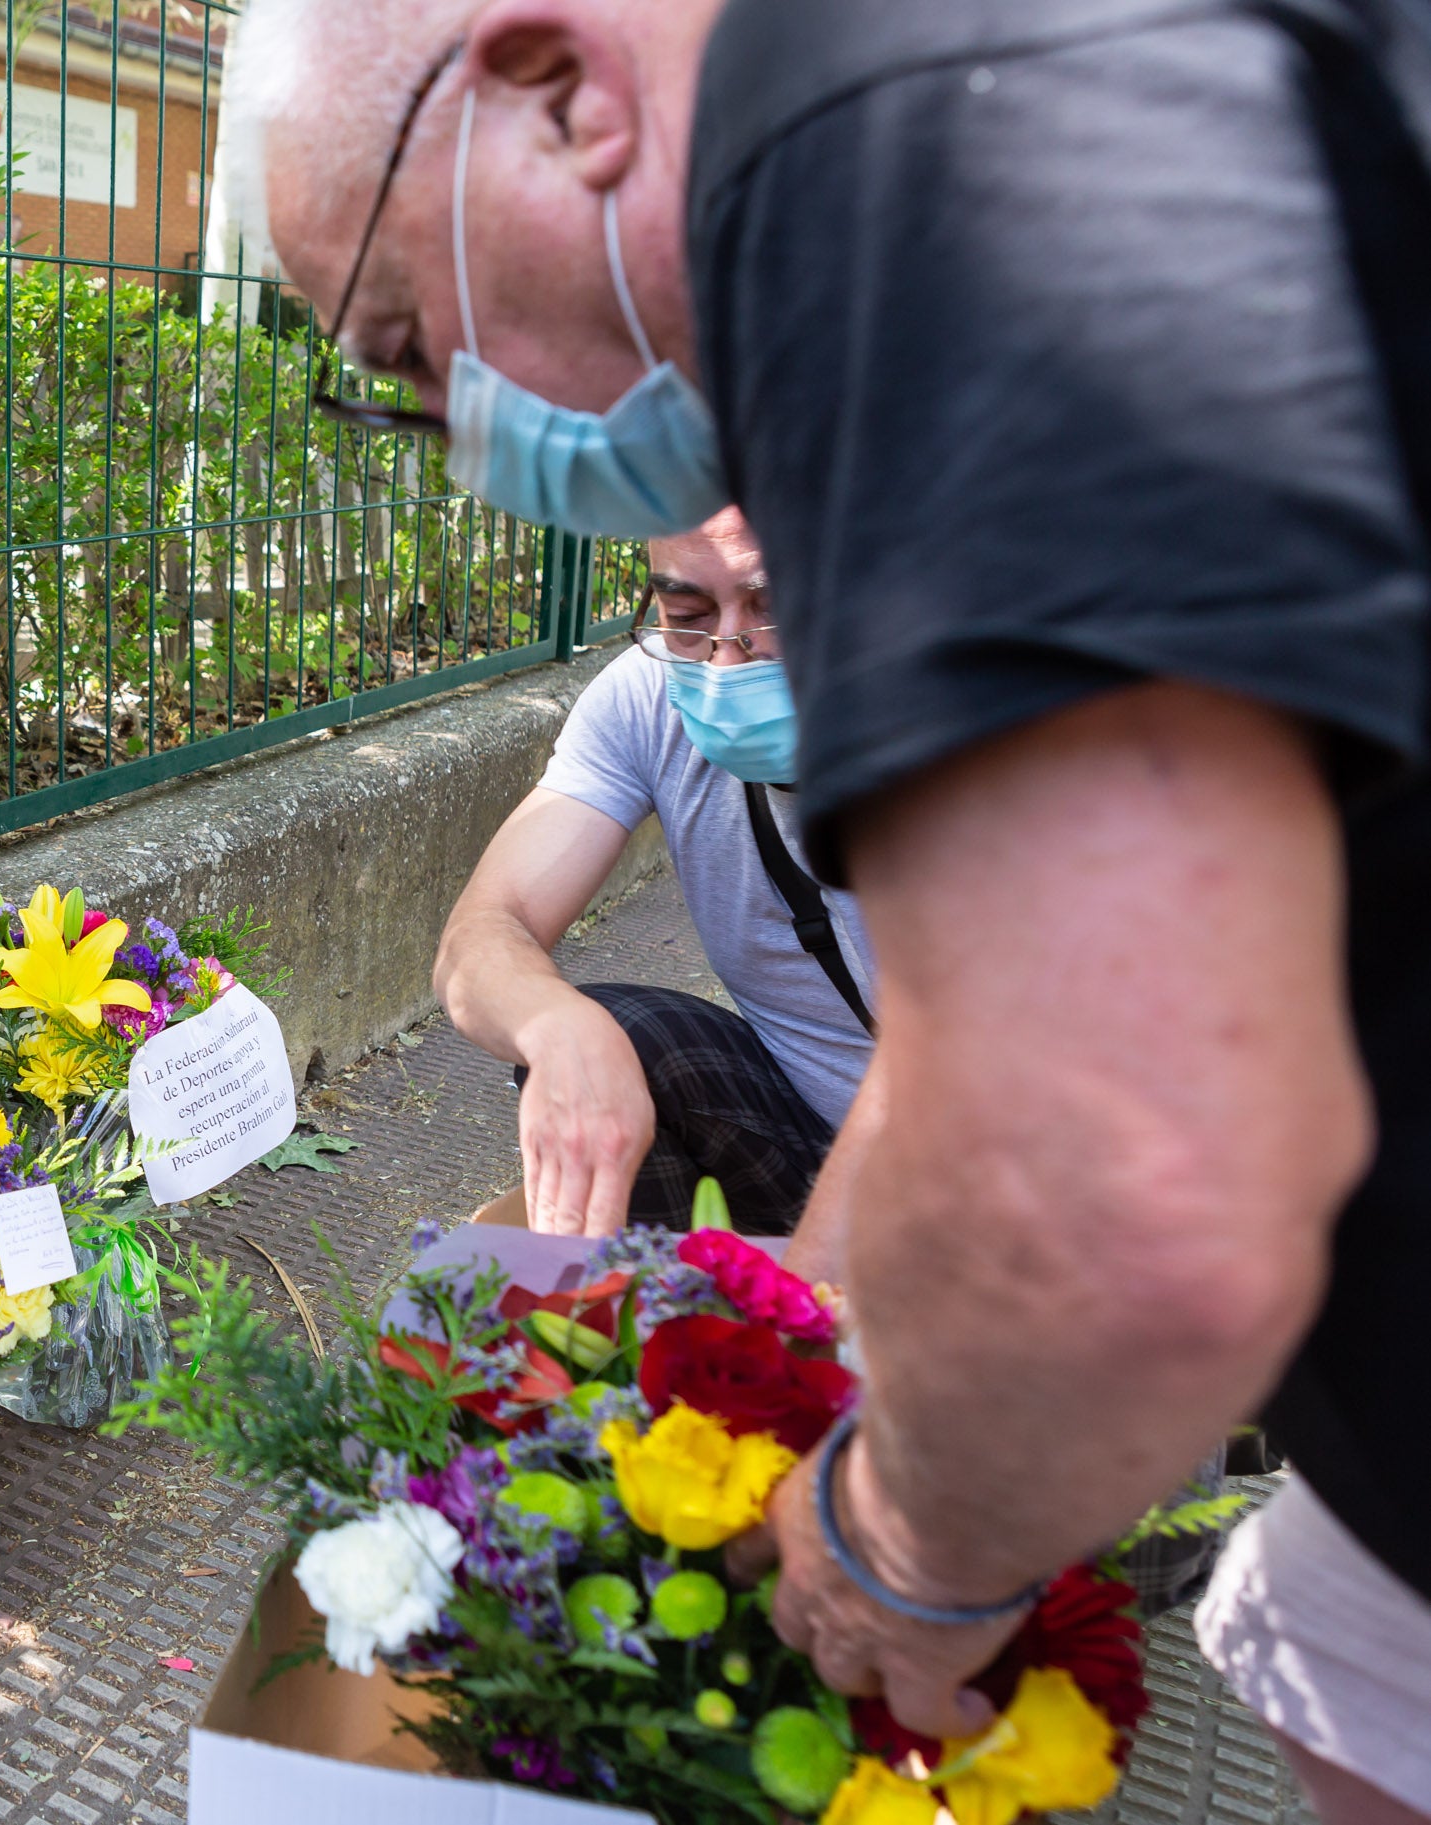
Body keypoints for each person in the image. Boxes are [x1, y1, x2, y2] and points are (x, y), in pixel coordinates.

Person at [223, 0, 1431, 1818]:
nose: (456, 436)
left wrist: (889, 1548)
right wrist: (831, 1331)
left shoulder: (913, 142)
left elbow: (1133, 1171)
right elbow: (992, 1030)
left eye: (405, 341)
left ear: (555, 91)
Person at [437, 505, 874, 1238]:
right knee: (627, 1035)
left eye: (774, 608)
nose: (726, 662)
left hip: (1017, 1157)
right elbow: (483, 930)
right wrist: (559, 1029)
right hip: (812, 1139)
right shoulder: (649, 696)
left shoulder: (989, 727)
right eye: (687, 614)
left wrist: (809, 1291)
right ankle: (654, 1333)